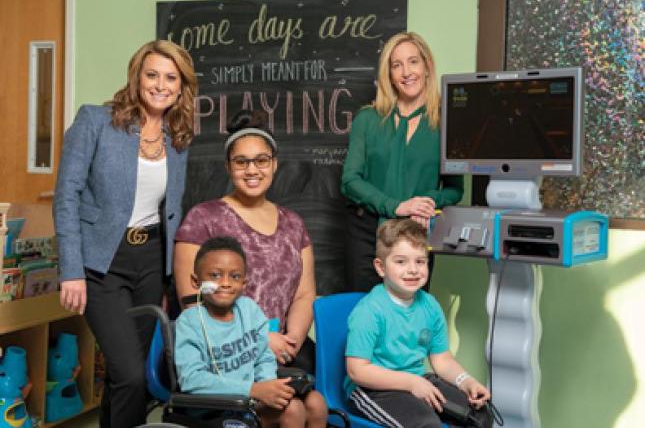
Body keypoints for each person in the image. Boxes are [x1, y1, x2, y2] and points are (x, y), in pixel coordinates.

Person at [53, 40, 197, 428]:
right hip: (102, 263)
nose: (160, 85)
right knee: (131, 373)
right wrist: (71, 269)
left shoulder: (178, 136)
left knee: (130, 378)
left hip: (151, 262)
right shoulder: (95, 121)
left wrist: (170, 276)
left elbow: (172, 209)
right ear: (136, 78)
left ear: (182, 86)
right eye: (152, 75)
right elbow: (67, 195)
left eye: (171, 78)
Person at [174, 109, 317, 374]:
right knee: (289, 408)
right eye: (241, 162)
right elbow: (193, 301)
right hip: (224, 351)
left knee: (319, 401)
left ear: (274, 164)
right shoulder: (202, 219)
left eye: (261, 160)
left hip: (282, 347)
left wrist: (292, 342)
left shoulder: (293, 224)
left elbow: (305, 294)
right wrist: (261, 340)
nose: (252, 170)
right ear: (228, 167)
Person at [341, 31, 464, 292]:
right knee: (366, 315)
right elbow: (350, 181)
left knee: (410, 318)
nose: (406, 72)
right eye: (396, 65)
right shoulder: (368, 119)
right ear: (389, 74)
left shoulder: (447, 123)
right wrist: (395, 206)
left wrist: (426, 203)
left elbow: (455, 188)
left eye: (413, 62)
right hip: (366, 234)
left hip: (415, 234)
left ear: (427, 66)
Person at [345, 219, 491, 428]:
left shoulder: (430, 305)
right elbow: (357, 371)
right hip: (373, 389)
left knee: (480, 415)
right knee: (426, 425)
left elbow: (441, 360)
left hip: (418, 379)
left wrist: (466, 381)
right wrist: (411, 383)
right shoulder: (368, 311)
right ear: (380, 267)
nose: (413, 270)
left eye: (420, 261)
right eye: (401, 262)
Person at [175, 237, 328, 427]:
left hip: (251, 400)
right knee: (293, 410)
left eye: (235, 276)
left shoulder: (248, 309)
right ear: (196, 281)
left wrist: (271, 388)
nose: (225, 283)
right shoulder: (190, 322)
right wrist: (253, 390)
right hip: (215, 408)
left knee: (316, 403)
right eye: (215, 275)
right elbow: (192, 380)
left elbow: (263, 356)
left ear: (244, 283)